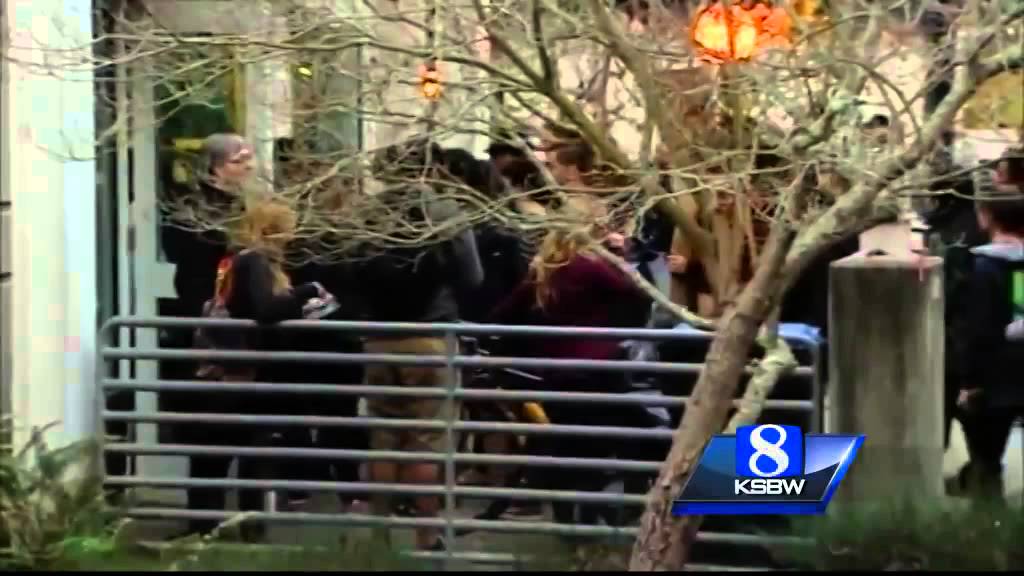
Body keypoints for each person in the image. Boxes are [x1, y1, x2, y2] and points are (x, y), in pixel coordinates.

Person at [354, 138, 485, 552]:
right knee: (429, 441)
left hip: (378, 338)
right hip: (430, 335)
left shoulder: (368, 212)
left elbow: (346, 265)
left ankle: (378, 534)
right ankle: (427, 535)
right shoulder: (444, 212)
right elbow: (473, 277)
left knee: (384, 436)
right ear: (431, 170)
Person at [489, 203, 653, 525]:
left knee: (571, 445)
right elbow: (637, 293)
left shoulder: (544, 268)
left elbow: (501, 316)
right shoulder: (591, 266)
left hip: (557, 373)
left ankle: (573, 520)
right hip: (598, 370)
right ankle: (615, 509)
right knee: (635, 433)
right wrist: (620, 257)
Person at [188, 199, 328, 540]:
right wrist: (306, 293)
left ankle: (207, 525)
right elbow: (265, 308)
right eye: (289, 229)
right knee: (250, 450)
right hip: (247, 370)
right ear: (274, 230)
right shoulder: (256, 262)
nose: (293, 238)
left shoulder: (235, 260)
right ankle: (245, 528)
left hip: (232, 368)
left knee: (219, 451)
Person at [956, 156, 1024, 504]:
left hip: (996, 381)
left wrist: (969, 383)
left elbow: (980, 331)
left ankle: (988, 536)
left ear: (988, 218)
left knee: (988, 463)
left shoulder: (985, 267)